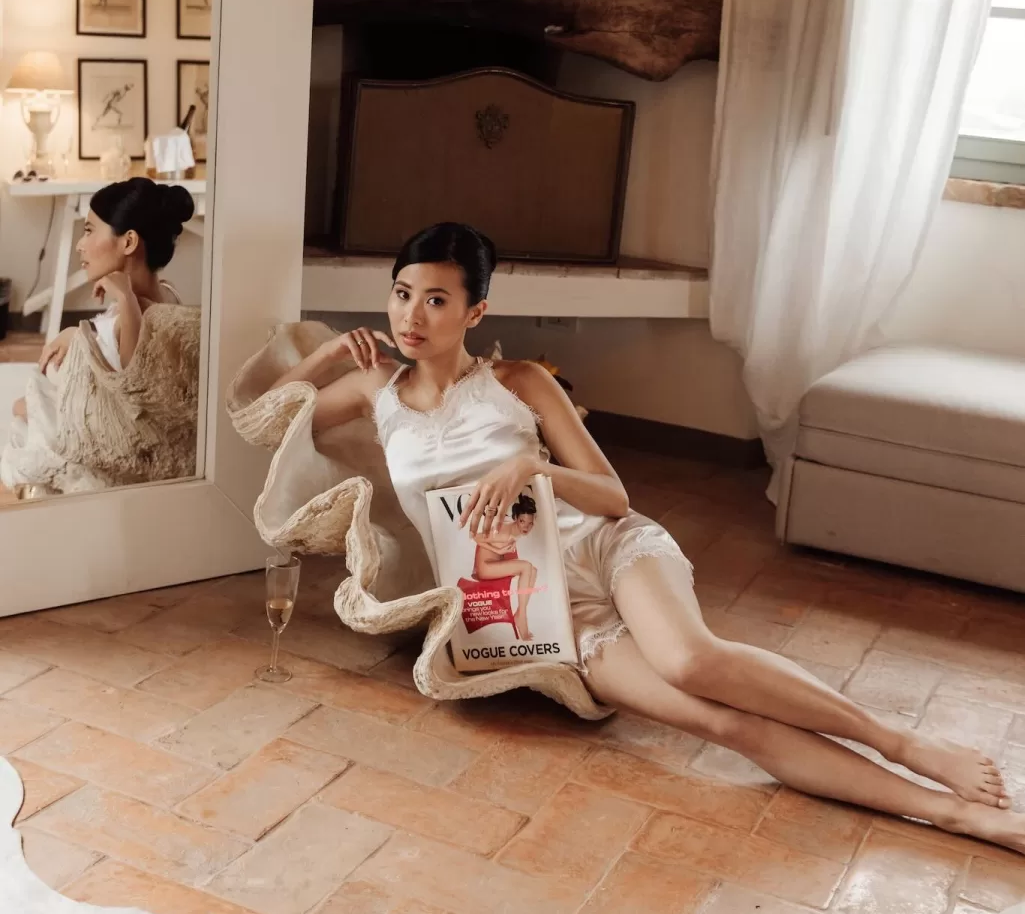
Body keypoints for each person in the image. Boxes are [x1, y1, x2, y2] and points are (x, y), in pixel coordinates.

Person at [271, 220, 1024, 856]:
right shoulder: (378, 395)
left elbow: (610, 496)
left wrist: (532, 466)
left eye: (436, 299)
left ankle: (903, 743)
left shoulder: (521, 381)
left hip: (603, 547)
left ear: (474, 311)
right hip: (530, 604)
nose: (413, 315)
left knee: (690, 659)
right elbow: (272, 412)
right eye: (403, 294)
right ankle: (953, 813)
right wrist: (333, 353)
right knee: (720, 722)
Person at [17, 181, 194, 411]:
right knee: (22, 405)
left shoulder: (132, 310)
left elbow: (131, 384)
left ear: (128, 242)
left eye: (89, 230)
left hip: (92, 423)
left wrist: (124, 296)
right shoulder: (167, 293)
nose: (80, 245)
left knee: (20, 408)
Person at [471, 493, 539, 640]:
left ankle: (520, 613)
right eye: (522, 522)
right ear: (515, 519)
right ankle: (522, 617)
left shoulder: (515, 532)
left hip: (496, 564)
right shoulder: (504, 534)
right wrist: (499, 550)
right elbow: (475, 536)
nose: (526, 527)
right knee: (526, 567)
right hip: (486, 568)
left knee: (533, 570)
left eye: (530, 524)